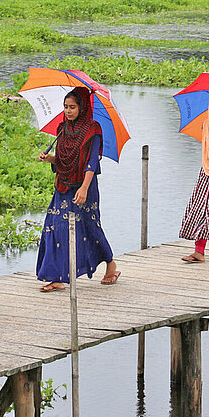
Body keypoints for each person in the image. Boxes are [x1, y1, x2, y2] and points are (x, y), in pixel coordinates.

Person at [36, 87, 119, 291]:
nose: (68, 111)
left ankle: (110, 264)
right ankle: (58, 277)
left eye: (72, 107)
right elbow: (63, 160)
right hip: (63, 184)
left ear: (82, 108)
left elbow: (92, 162)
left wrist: (83, 188)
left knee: (90, 227)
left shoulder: (93, 129)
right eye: (65, 107)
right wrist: (50, 159)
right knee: (55, 226)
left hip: (85, 187)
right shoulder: (62, 129)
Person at [179, 90, 209, 262]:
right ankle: (199, 251)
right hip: (208, 171)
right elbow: (208, 149)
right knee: (200, 208)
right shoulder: (206, 124)